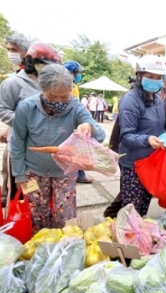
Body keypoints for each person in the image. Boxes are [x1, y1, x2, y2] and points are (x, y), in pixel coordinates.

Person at [10, 65, 105, 232]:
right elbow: (17, 142)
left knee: (65, 218)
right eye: (53, 97)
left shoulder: (76, 107)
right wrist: (19, 174)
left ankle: (63, 250)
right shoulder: (26, 107)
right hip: (33, 172)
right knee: (36, 216)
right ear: (42, 89)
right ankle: (39, 249)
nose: (59, 102)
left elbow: (101, 135)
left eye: (65, 97)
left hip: (65, 172)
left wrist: (88, 126)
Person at [0, 42, 60, 204]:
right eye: (44, 65)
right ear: (31, 62)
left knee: (35, 195)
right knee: (16, 193)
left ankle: (34, 224)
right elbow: (3, 110)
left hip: (41, 154)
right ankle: (13, 225)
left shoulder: (50, 85)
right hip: (20, 151)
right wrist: (28, 123)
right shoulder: (13, 83)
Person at [119, 56, 166, 216]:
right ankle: (129, 238)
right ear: (139, 76)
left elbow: (159, 127)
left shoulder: (158, 100)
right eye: (150, 76)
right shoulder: (130, 100)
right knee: (132, 210)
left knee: (144, 206)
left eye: (159, 78)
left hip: (151, 162)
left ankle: (142, 238)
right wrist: (147, 140)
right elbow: (126, 136)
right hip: (133, 164)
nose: (155, 81)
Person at [62, 60, 94, 184]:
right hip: (71, 123)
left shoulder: (73, 86)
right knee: (75, 151)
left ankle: (78, 173)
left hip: (76, 121)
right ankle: (78, 174)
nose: (79, 75)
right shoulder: (71, 86)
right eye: (77, 73)